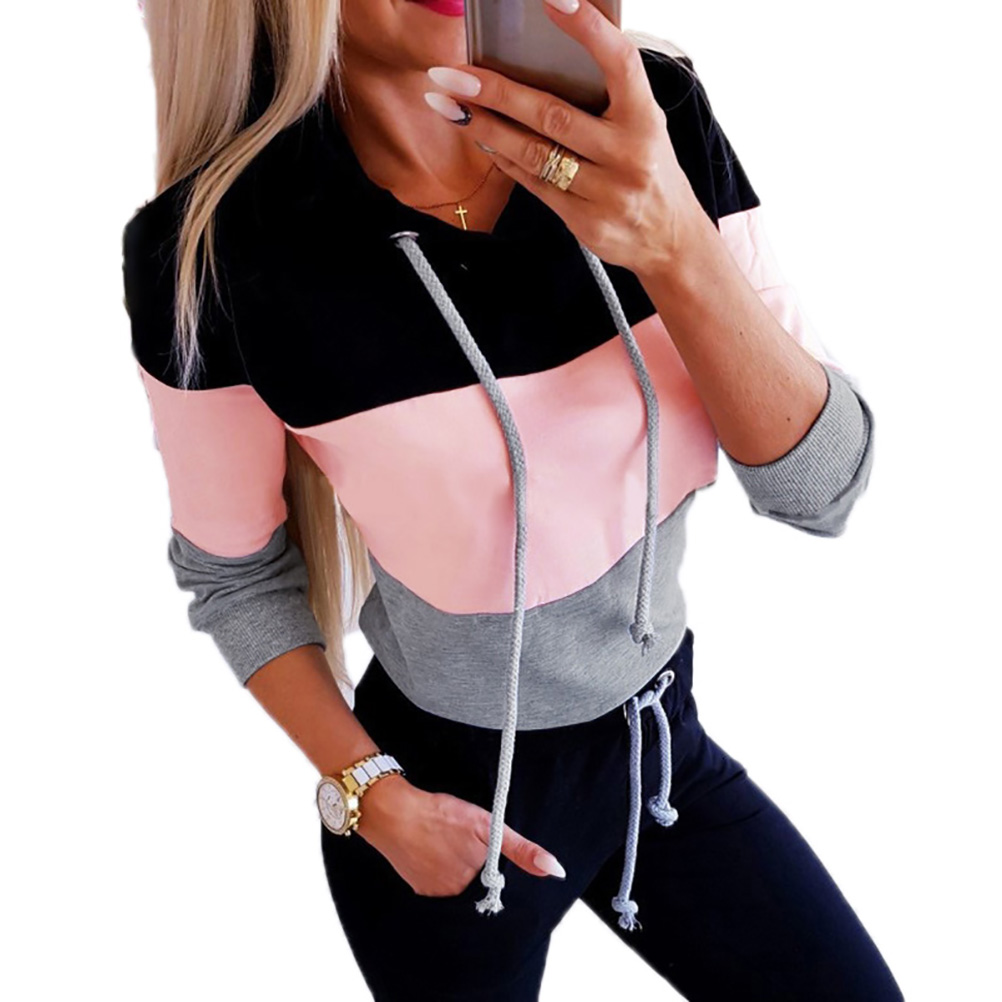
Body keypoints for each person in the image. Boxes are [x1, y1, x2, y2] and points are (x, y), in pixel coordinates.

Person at [124, 1, 904, 999]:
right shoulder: (210, 251)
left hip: (659, 755)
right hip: (446, 809)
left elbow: (820, 490)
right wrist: (371, 795)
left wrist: (675, 244)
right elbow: (233, 575)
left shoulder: (649, 118)